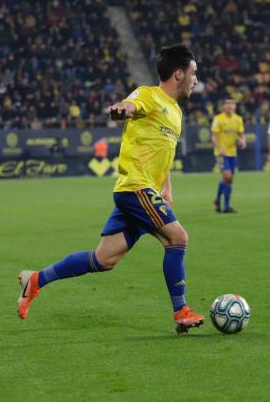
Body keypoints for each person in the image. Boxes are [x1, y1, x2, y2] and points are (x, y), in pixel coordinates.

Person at [17, 44, 205, 334]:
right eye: (193, 73)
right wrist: (122, 109)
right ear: (178, 73)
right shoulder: (148, 95)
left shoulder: (176, 112)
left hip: (145, 191)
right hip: (135, 188)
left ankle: (35, 280)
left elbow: (163, 153)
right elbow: (130, 105)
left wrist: (167, 187)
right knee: (178, 238)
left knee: (104, 259)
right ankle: (181, 311)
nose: (196, 79)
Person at [211, 98, 246, 213]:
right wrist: (219, 148)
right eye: (227, 104)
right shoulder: (218, 119)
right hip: (221, 154)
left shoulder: (238, 119)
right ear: (224, 106)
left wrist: (242, 141)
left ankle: (217, 200)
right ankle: (226, 206)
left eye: (232, 104)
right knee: (228, 177)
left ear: (235, 106)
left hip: (232, 153)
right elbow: (213, 136)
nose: (230, 106)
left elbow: (241, 134)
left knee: (228, 180)